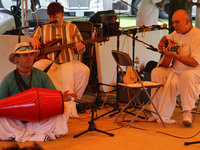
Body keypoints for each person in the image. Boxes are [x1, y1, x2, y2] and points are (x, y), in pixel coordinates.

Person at [0, 42, 78, 142]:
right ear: (16, 58)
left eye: (31, 55)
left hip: (40, 118)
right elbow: (1, 104)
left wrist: (61, 97)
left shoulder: (42, 75)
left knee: (66, 108)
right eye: (25, 55)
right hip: (17, 120)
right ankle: (38, 135)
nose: (29, 58)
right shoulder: (8, 79)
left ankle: (21, 135)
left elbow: (53, 97)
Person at [27, 2, 90, 115]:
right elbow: (29, 39)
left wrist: (80, 49)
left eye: (54, 17)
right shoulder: (42, 27)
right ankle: (44, 103)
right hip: (48, 62)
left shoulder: (72, 28)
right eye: (50, 17)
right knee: (36, 67)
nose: (51, 19)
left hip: (68, 62)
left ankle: (74, 101)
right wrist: (33, 39)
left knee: (84, 70)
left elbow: (81, 49)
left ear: (61, 15)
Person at [149, 9, 200, 126]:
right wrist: (162, 43)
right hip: (174, 71)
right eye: (173, 22)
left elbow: (194, 63)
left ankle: (187, 112)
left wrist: (174, 55)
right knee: (156, 72)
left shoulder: (197, 36)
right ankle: (156, 113)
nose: (174, 25)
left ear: (187, 21)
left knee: (187, 76)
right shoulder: (176, 32)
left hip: (193, 72)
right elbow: (166, 38)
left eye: (177, 22)